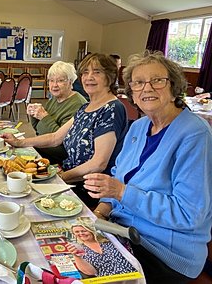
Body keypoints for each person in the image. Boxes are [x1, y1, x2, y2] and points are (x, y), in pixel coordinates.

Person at [84, 51, 212, 283]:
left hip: (164, 250)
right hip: (122, 231)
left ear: (174, 87)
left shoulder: (195, 135)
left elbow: (189, 214)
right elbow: (117, 179)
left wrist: (122, 192)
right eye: (139, 83)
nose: (147, 88)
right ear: (131, 92)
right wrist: (99, 213)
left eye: (157, 80)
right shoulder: (138, 127)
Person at [2, 53, 128, 208]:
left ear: (109, 76)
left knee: (23, 199)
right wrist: (19, 142)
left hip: (88, 189)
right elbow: (55, 137)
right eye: (85, 72)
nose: (89, 77)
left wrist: (61, 177)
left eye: (97, 72)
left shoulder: (112, 108)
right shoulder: (86, 107)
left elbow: (98, 163)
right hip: (71, 178)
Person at [27, 61, 87, 164]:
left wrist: (44, 116)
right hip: (47, 146)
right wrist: (34, 115)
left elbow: (61, 140)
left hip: (62, 155)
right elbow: (39, 130)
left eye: (60, 81)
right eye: (51, 80)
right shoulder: (55, 98)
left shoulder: (78, 104)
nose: (54, 85)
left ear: (70, 82)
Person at [66, 217, 137, 277]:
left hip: (133, 274)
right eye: (77, 232)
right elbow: (91, 272)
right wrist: (76, 256)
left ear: (91, 230)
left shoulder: (107, 238)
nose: (81, 234)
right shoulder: (80, 249)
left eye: (83, 231)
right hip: (110, 280)